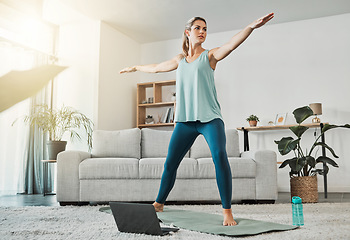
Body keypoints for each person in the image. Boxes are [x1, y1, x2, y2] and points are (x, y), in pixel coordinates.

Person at [120, 12, 274, 226]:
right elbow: (156, 68)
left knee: (220, 156)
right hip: (185, 122)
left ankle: (227, 211)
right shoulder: (180, 60)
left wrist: (250, 27)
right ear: (187, 32)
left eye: (205, 29)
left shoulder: (210, 56)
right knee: (170, 163)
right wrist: (136, 67)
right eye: (198, 28)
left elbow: (230, 45)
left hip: (210, 119)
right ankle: (159, 203)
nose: (202, 32)